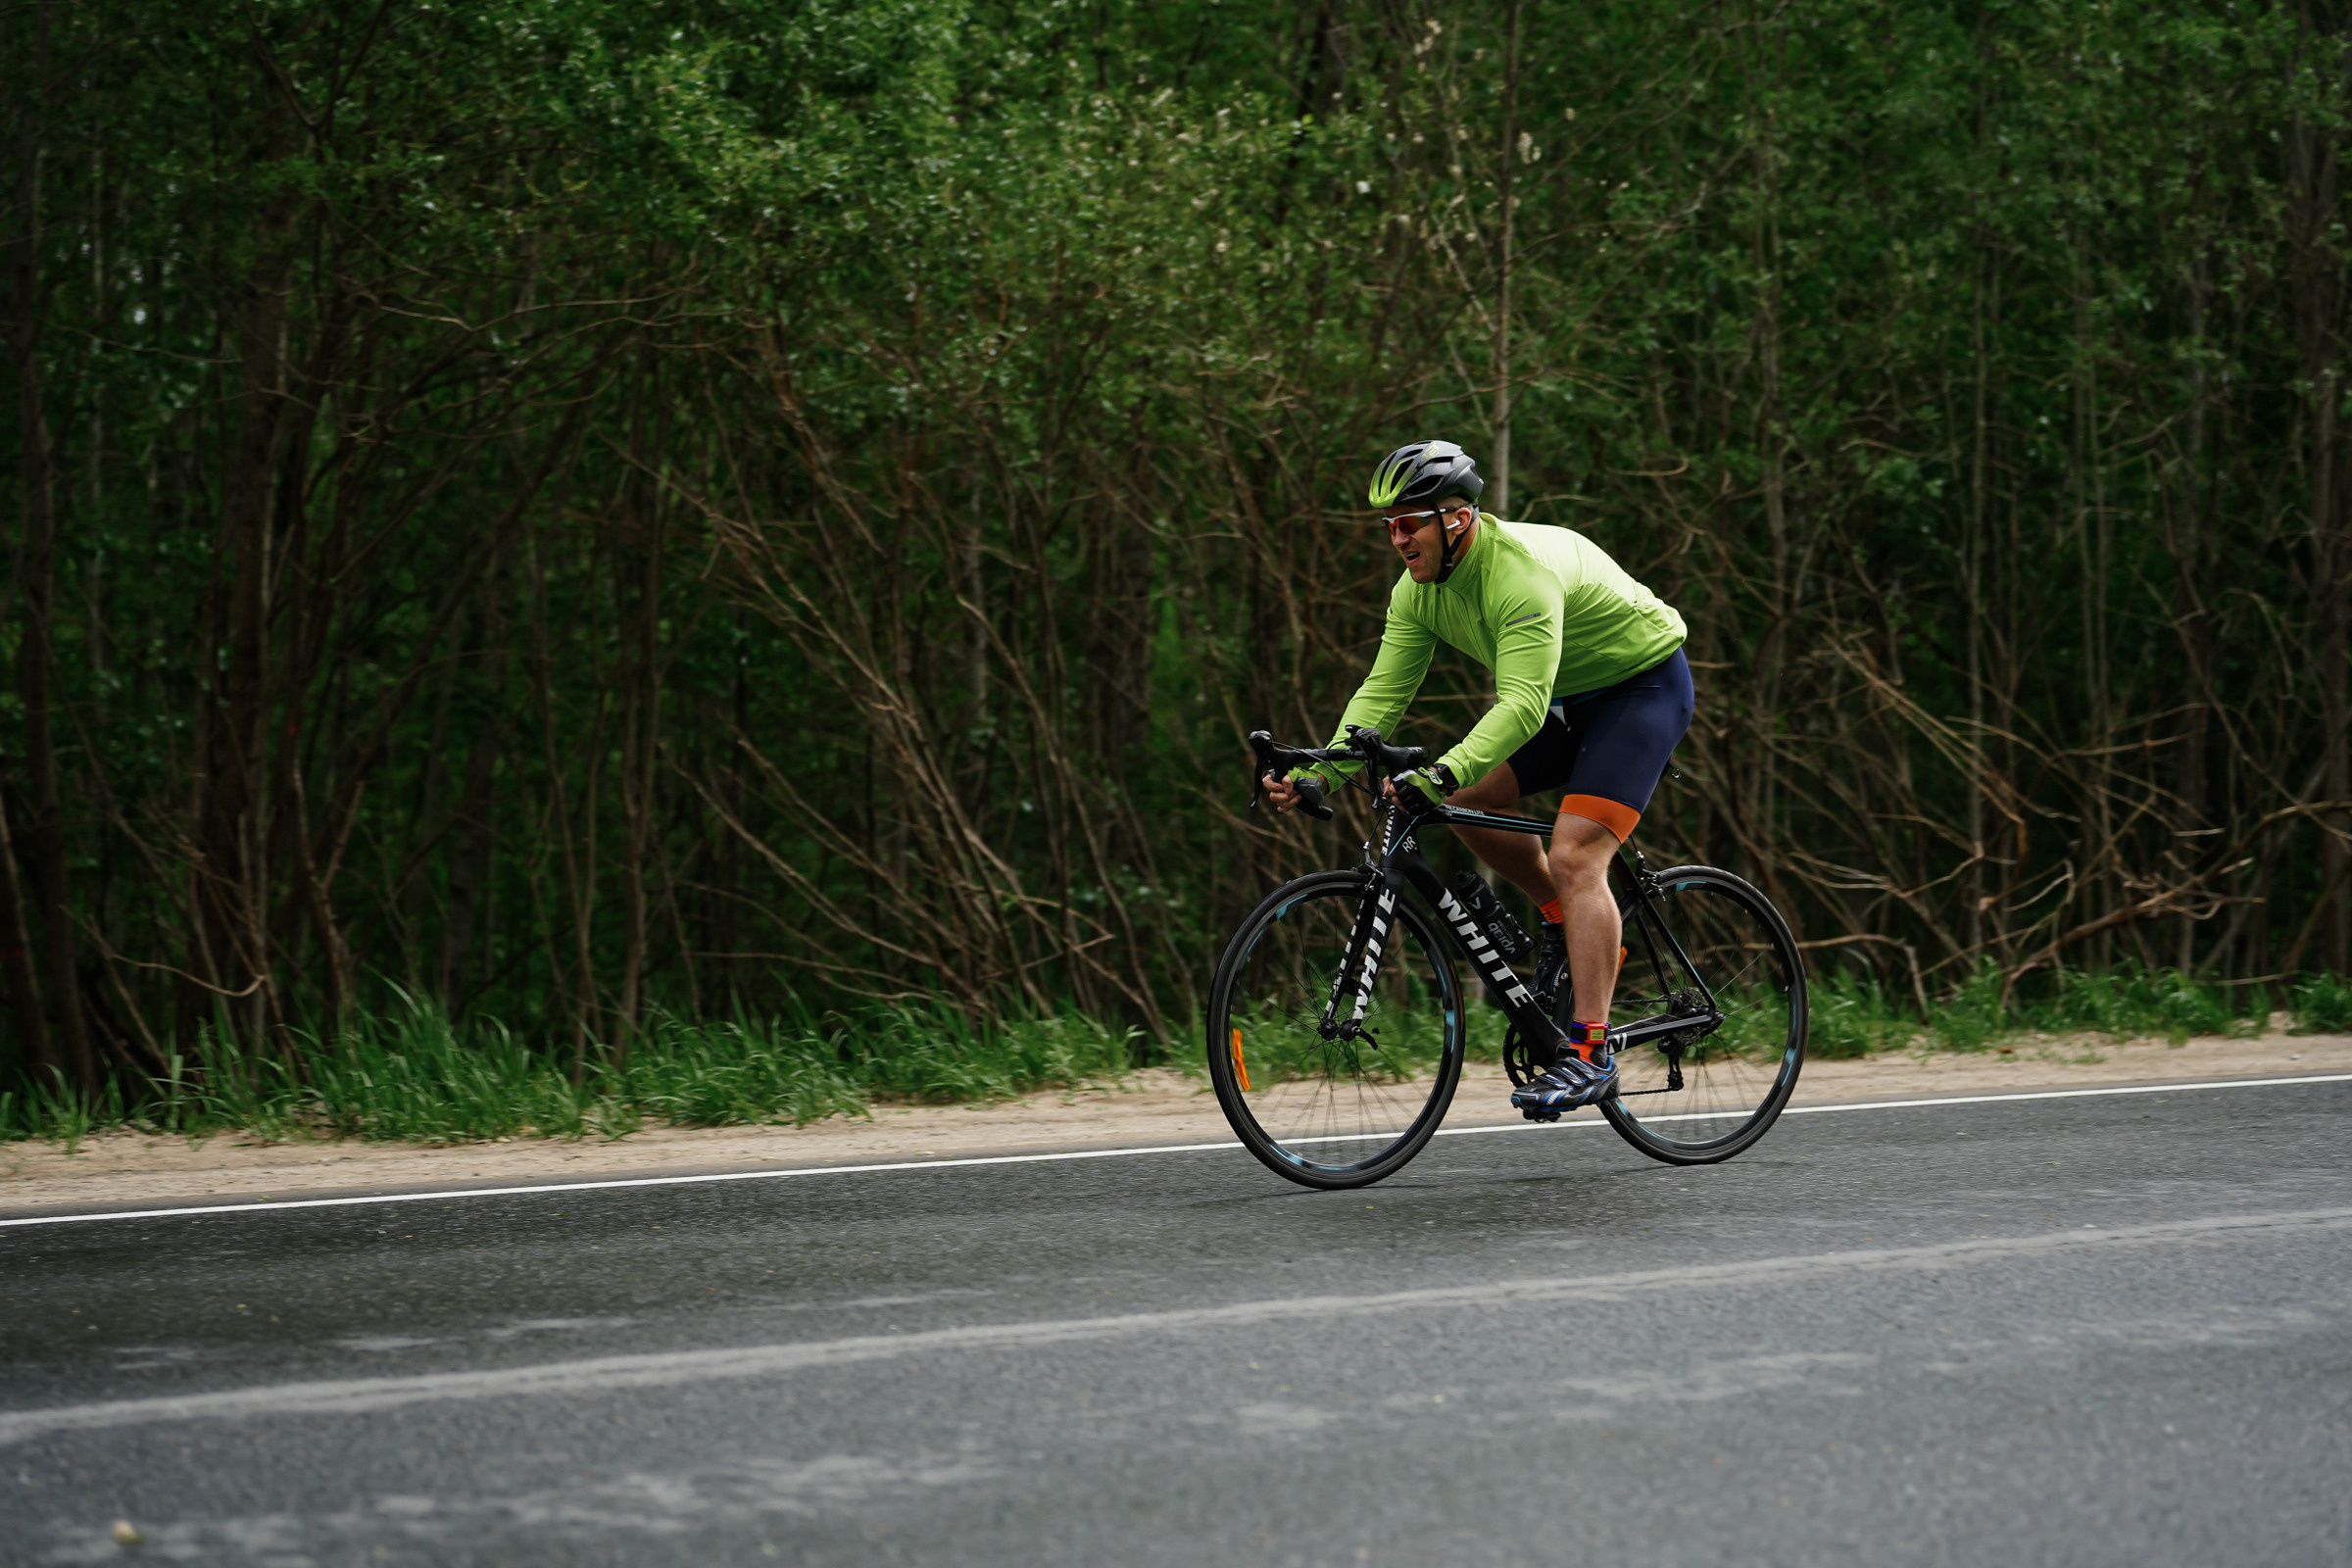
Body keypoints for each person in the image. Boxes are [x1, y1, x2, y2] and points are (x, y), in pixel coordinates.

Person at [1261, 438, 1692, 1112]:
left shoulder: (1517, 575)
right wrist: (1324, 773)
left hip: (1642, 690)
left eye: (1410, 522)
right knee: (1460, 802)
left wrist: (1440, 767)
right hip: (1573, 701)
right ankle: (1562, 920)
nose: (1397, 538)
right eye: (1389, 526)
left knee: (1576, 854)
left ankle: (1590, 1049)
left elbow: (1520, 704)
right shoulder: (1417, 593)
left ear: (1456, 518)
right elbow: (1382, 697)